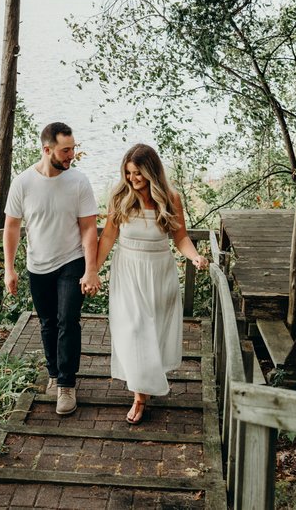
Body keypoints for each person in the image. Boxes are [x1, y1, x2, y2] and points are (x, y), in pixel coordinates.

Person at [95, 144, 208, 424]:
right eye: (129, 173)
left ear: (151, 172)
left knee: (152, 332)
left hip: (159, 272)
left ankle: (143, 388)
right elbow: (107, 237)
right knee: (133, 329)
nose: (133, 179)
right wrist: (92, 271)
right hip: (128, 271)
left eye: (138, 174)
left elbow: (180, 238)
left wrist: (195, 257)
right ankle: (139, 397)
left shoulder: (170, 198)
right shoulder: (120, 197)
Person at [3, 122, 101, 416]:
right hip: (38, 265)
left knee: (67, 320)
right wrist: (9, 268)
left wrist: (91, 269)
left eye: (72, 148)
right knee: (47, 322)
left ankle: (67, 385)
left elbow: (88, 229)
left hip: (71, 261)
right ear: (47, 150)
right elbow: (11, 227)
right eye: (66, 150)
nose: (72, 154)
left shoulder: (79, 182)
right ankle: (55, 374)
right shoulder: (23, 183)